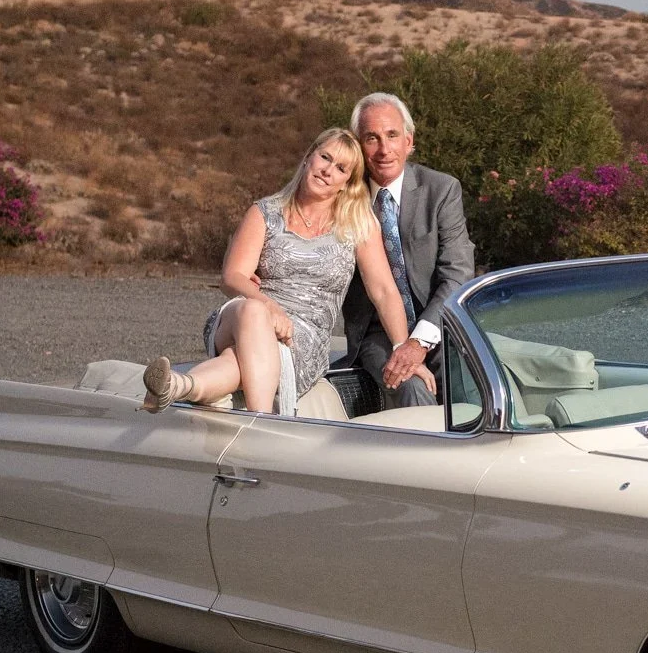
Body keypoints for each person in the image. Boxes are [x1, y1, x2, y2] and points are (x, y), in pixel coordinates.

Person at [141, 127, 428, 414]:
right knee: (254, 311)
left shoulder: (358, 224)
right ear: (308, 158)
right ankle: (262, 418)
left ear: (346, 183)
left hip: (302, 339)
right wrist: (269, 306)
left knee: (242, 360)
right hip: (243, 318)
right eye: (324, 157)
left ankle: (178, 386)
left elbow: (384, 291)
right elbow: (232, 277)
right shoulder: (265, 211)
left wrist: (402, 346)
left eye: (340, 168)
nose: (328, 170)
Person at [342, 92, 475, 407]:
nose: (384, 149)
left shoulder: (441, 190)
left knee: (469, 385)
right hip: (377, 333)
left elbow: (457, 274)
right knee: (411, 386)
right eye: (372, 138)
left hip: (441, 323)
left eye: (392, 135)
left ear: (408, 140)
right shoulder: (344, 196)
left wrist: (418, 341)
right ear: (357, 145)